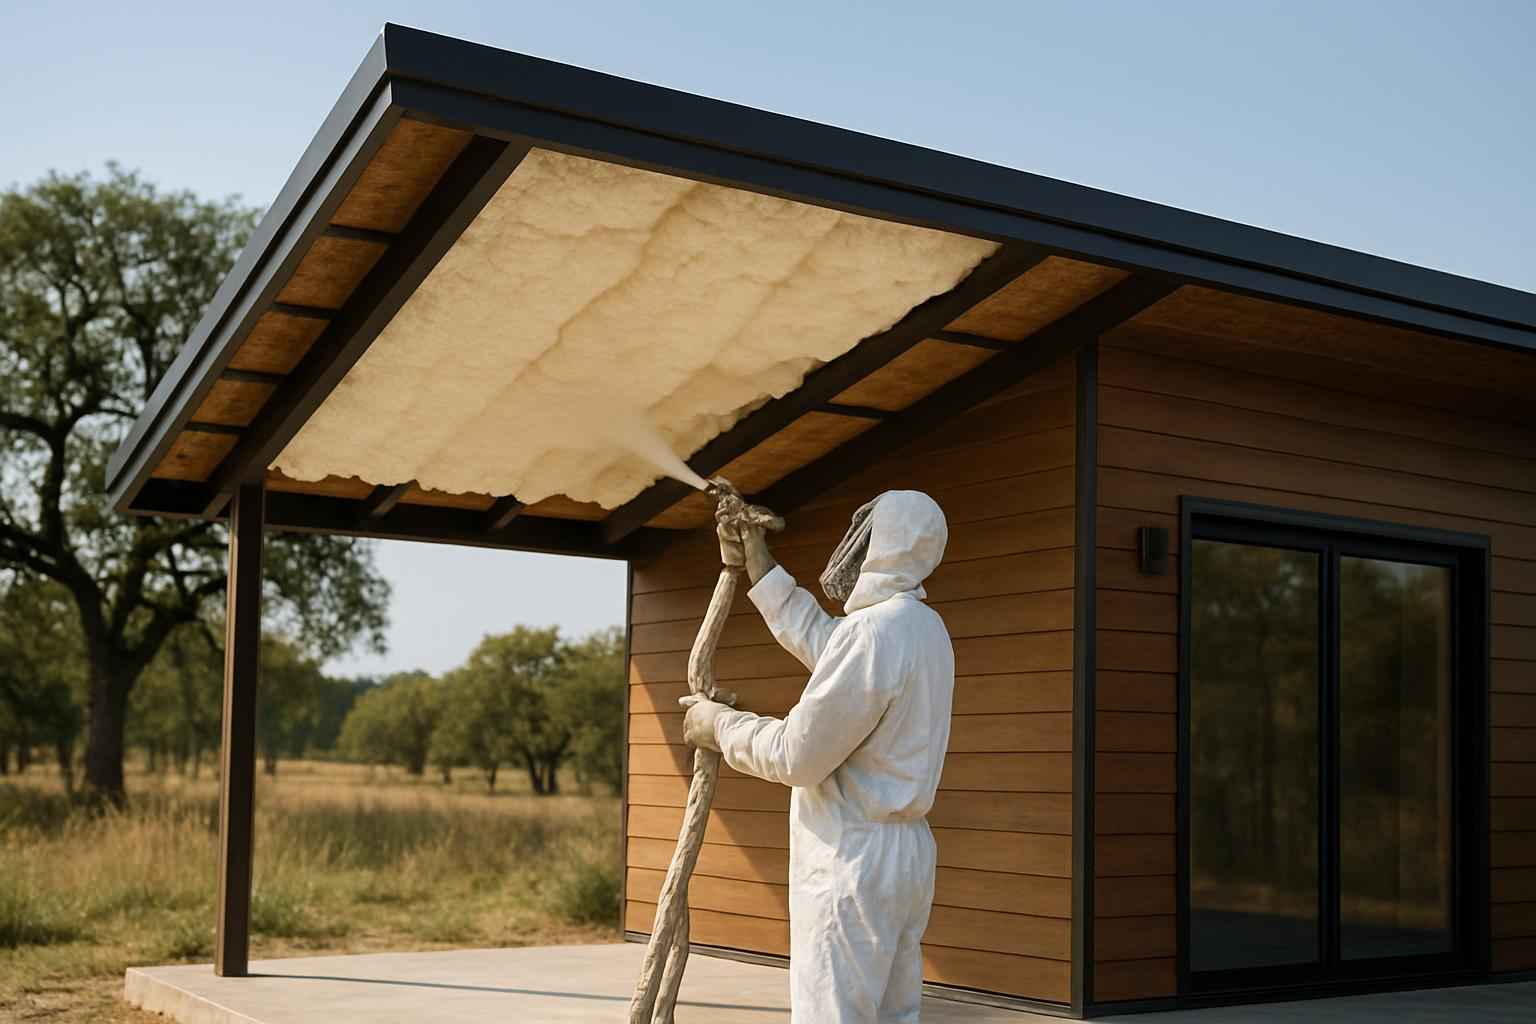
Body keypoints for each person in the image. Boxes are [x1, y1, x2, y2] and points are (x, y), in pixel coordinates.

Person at [681, 490, 955, 1024]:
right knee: (894, 1015)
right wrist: (759, 563)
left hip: (851, 858)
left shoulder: (874, 634)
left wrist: (719, 725)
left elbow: (796, 757)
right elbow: (830, 648)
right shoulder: (923, 628)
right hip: (906, 858)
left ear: (886, 544)